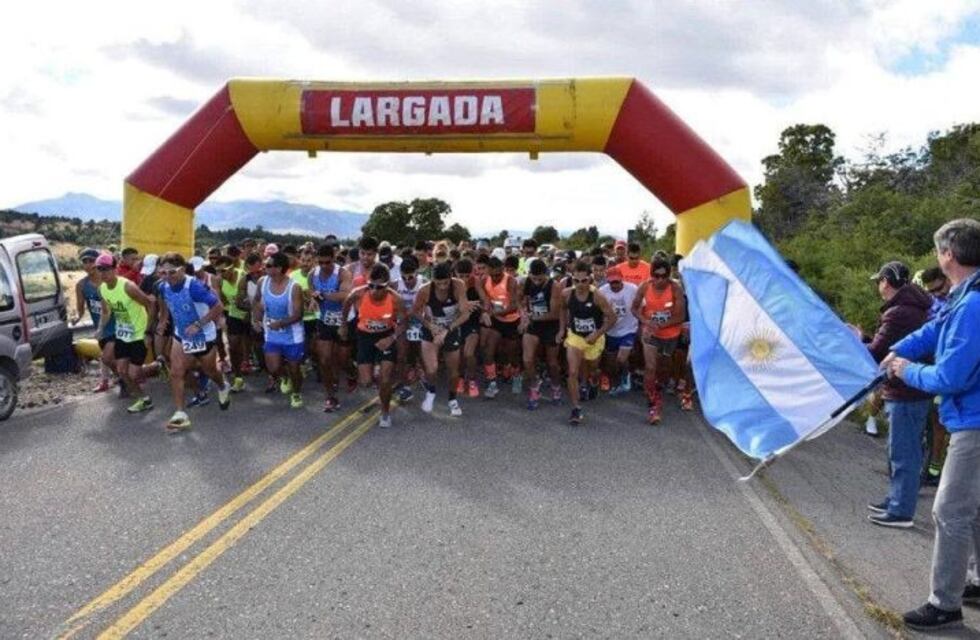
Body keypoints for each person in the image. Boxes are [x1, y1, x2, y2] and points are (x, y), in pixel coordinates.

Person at [883, 219, 980, 632]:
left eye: (939, 251)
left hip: (974, 423)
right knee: (973, 511)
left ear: (949, 255)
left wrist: (905, 370)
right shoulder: (965, 297)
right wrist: (894, 350)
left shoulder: (973, 305)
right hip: (970, 417)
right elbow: (933, 329)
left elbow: (949, 377)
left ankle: (944, 604)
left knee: (950, 510)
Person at [856, 261, 933, 528]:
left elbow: (877, 352)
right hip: (909, 390)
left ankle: (901, 511)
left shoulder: (899, 313)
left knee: (904, 452)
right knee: (898, 450)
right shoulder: (912, 308)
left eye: (879, 280)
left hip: (906, 392)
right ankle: (896, 499)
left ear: (886, 282)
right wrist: (866, 338)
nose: (878, 285)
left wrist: (857, 340)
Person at [156, 253, 232, 431]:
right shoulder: (162, 286)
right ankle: (181, 414)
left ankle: (222, 385)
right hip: (181, 334)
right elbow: (165, 305)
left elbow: (218, 306)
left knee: (210, 370)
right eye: (163, 272)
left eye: (172, 272)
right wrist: (163, 320)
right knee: (176, 372)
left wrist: (199, 324)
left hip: (203, 334)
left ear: (182, 269)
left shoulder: (195, 287)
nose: (167, 276)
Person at [341, 264, 406, 429]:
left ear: (388, 285)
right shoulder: (359, 293)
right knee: (366, 382)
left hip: (386, 337)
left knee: (385, 380)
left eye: (380, 287)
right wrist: (343, 325)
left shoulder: (395, 298)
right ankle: (374, 372)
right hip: (365, 338)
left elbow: (404, 322)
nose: (374, 290)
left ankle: (385, 412)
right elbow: (346, 304)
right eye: (371, 285)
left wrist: (391, 338)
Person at [96, 253, 156, 413]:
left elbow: (150, 305)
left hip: (139, 334)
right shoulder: (102, 289)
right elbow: (106, 311)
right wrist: (100, 329)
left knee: (133, 373)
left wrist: (149, 332)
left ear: (115, 269)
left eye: (106, 269)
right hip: (123, 334)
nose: (103, 273)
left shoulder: (128, 287)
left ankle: (157, 366)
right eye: (100, 269)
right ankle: (144, 399)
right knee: (122, 371)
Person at [558, 261, 615, 425]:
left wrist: (597, 334)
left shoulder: (597, 296)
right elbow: (562, 309)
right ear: (572, 279)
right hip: (575, 336)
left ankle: (593, 380)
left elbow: (612, 318)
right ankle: (576, 408)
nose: (580, 284)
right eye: (576, 281)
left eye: (584, 281)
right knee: (573, 372)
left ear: (589, 279)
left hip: (594, 339)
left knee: (592, 368)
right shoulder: (566, 294)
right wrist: (562, 329)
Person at [633, 255, 686, 425]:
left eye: (664, 276)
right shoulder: (644, 287)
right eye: (656, 276)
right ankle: (653, 401)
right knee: (650, 366)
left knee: (664, 367)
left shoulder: (675, 289)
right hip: (651, 333)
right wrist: (646, 322)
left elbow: (680, 316)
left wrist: (659, 325)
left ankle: (658, 385)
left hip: (670, 335)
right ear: (651, 275)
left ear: (669, 276)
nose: (660, 280)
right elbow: (634, 308)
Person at [413, 262, 471, 416]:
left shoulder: (458, 286)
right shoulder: (424, 290)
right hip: (431, 329)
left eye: (446, 282)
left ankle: (452, 399)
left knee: (453, 371)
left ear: (451, 278)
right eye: (438, 283)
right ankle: (431, 392)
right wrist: (430, 326)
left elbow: (466, 314)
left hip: (450, 328)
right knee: (432, 369)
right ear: (432, 280)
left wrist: (447, 330)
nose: (443, 286)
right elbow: (416, 311)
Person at [252, 251, 305, 409]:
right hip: (272, 333)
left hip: (292, 335)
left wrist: (281, 323)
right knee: (273, 368)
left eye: (268, 265)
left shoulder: (294, 287)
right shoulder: (263, 281)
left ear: (279, 268)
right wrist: (256, 319)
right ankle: (284, 378)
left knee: (294, 368)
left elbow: (298, 314)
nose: (264, 267)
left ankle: (296, 393)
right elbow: (256, 301)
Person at [519, 259, 563, 410]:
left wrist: (532, 317)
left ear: (546, 274)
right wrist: (524, 315)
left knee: (552, 362)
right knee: (527, 359)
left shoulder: (554, 286)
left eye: (540, 279)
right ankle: (534, 386)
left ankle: (556, 386)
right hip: (534, 325)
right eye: (534, 278)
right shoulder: (527, 282)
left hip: (551, 325)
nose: (536, 281)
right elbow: (522, 301)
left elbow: (555, 313)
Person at [73, 248, 115, 393]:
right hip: (100, 325)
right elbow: (80, 307)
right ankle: (107, 381)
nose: (88, 264)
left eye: (91, 261)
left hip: (115, 324)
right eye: (84, 261)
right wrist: (77, 317)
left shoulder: (108, 282)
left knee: (107, 357)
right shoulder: (81, 285)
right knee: (106, 356)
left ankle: (123, 379)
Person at [479, 256, 521, 398]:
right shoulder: (485, 280)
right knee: (488, 350)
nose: (496, 277)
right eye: (493, 275)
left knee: (512, 354)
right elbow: (485, 302)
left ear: (503, 270)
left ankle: (516, 376)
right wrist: (486, 312)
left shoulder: (511, 281)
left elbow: (514, 306)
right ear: (488, 271)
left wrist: (493, 313)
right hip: (496, 321)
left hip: (511, 321)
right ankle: (492, 382)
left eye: (499, 274)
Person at [598, 266, 639, 396]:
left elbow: (641, 306)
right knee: (612, 362)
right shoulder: (602, 292)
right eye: (611, 282)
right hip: (611, 330)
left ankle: (626, 377)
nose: (614, 285)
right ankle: (615, 380)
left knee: (621, 358)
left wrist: (642, 325)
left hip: (628, 329)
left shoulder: (632, 289)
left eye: (617, 282)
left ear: (622, 279)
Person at [393, 256, 427, 402]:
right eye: (404, 277)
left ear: (417, 273)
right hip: (403, 320)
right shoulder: (395, 284)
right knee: (401, 356)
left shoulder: (424, 283)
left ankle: (422, 372)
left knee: (421, 353)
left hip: (419, 320)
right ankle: (405, 386)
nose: (407, 281)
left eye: (410, 277)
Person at [216, 256, 248, 392]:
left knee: (258, 347)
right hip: (234, 315)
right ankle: (238, 378)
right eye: (218, 271)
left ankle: (276, 374)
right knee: (233, 346)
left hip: (250, 314)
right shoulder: (220, 281)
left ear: (232, 267)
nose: (220, 274)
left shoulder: (244, 276)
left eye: (223, 270)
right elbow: (222, 301)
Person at [454, 258, 483, 398]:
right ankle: (460, 378)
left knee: (469, 353)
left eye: (467, 275)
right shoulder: (451, 285)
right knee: (459, 355)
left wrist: (485, 312)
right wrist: (465, 304)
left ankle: (472, 380)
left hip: (472, 322)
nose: (464, 279)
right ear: (455, 274)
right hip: (458, 323)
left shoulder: (475, 282)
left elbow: (485, 301)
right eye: (461, 276)